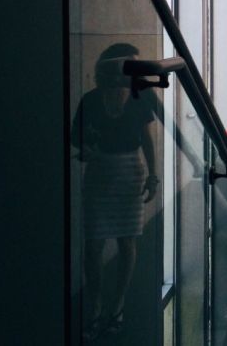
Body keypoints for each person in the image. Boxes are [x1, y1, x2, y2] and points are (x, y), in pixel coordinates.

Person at [71, 43, 159, 341]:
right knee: (93, 244)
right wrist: (86, 150)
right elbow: (77, 139)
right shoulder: (91, 100)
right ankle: (95, 305)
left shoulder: (139, 98)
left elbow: (146, 140)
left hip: (130, 173)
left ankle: (117, 304)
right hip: (100, 173)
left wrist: (154, 176)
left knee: (126, 241)